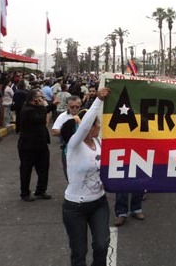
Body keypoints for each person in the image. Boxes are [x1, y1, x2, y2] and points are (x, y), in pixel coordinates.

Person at [62, 87, 111, 266]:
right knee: (79, 252)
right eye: (96, 124)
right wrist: (97, 100)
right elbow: (83, 126)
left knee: (102, 245)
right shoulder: (75, 145)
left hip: (99, 203)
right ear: (88, 128)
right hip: (75, 208)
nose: (99, 126)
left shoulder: (99, 142)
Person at [18, 89, 53, 202]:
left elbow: (44, 110)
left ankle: (41, 190)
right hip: (28, 146)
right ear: (34, 99)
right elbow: (41, 118)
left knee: (44, 168)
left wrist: (53, 105)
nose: (42, 99)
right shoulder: (28, 110)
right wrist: (43, 106)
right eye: (40, 97)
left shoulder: (37, 108)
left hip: (41, 144)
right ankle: (25, 193)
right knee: (26, 170)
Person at [52, 95, 84, 180]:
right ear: (67, 106)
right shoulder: (63, 116)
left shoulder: (84, 115)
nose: (75, 109)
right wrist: (68, 132)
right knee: (69, 175)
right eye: (72, 107)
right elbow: (54, 131)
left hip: (83, 149)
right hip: (67, 149)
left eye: (77, 107)